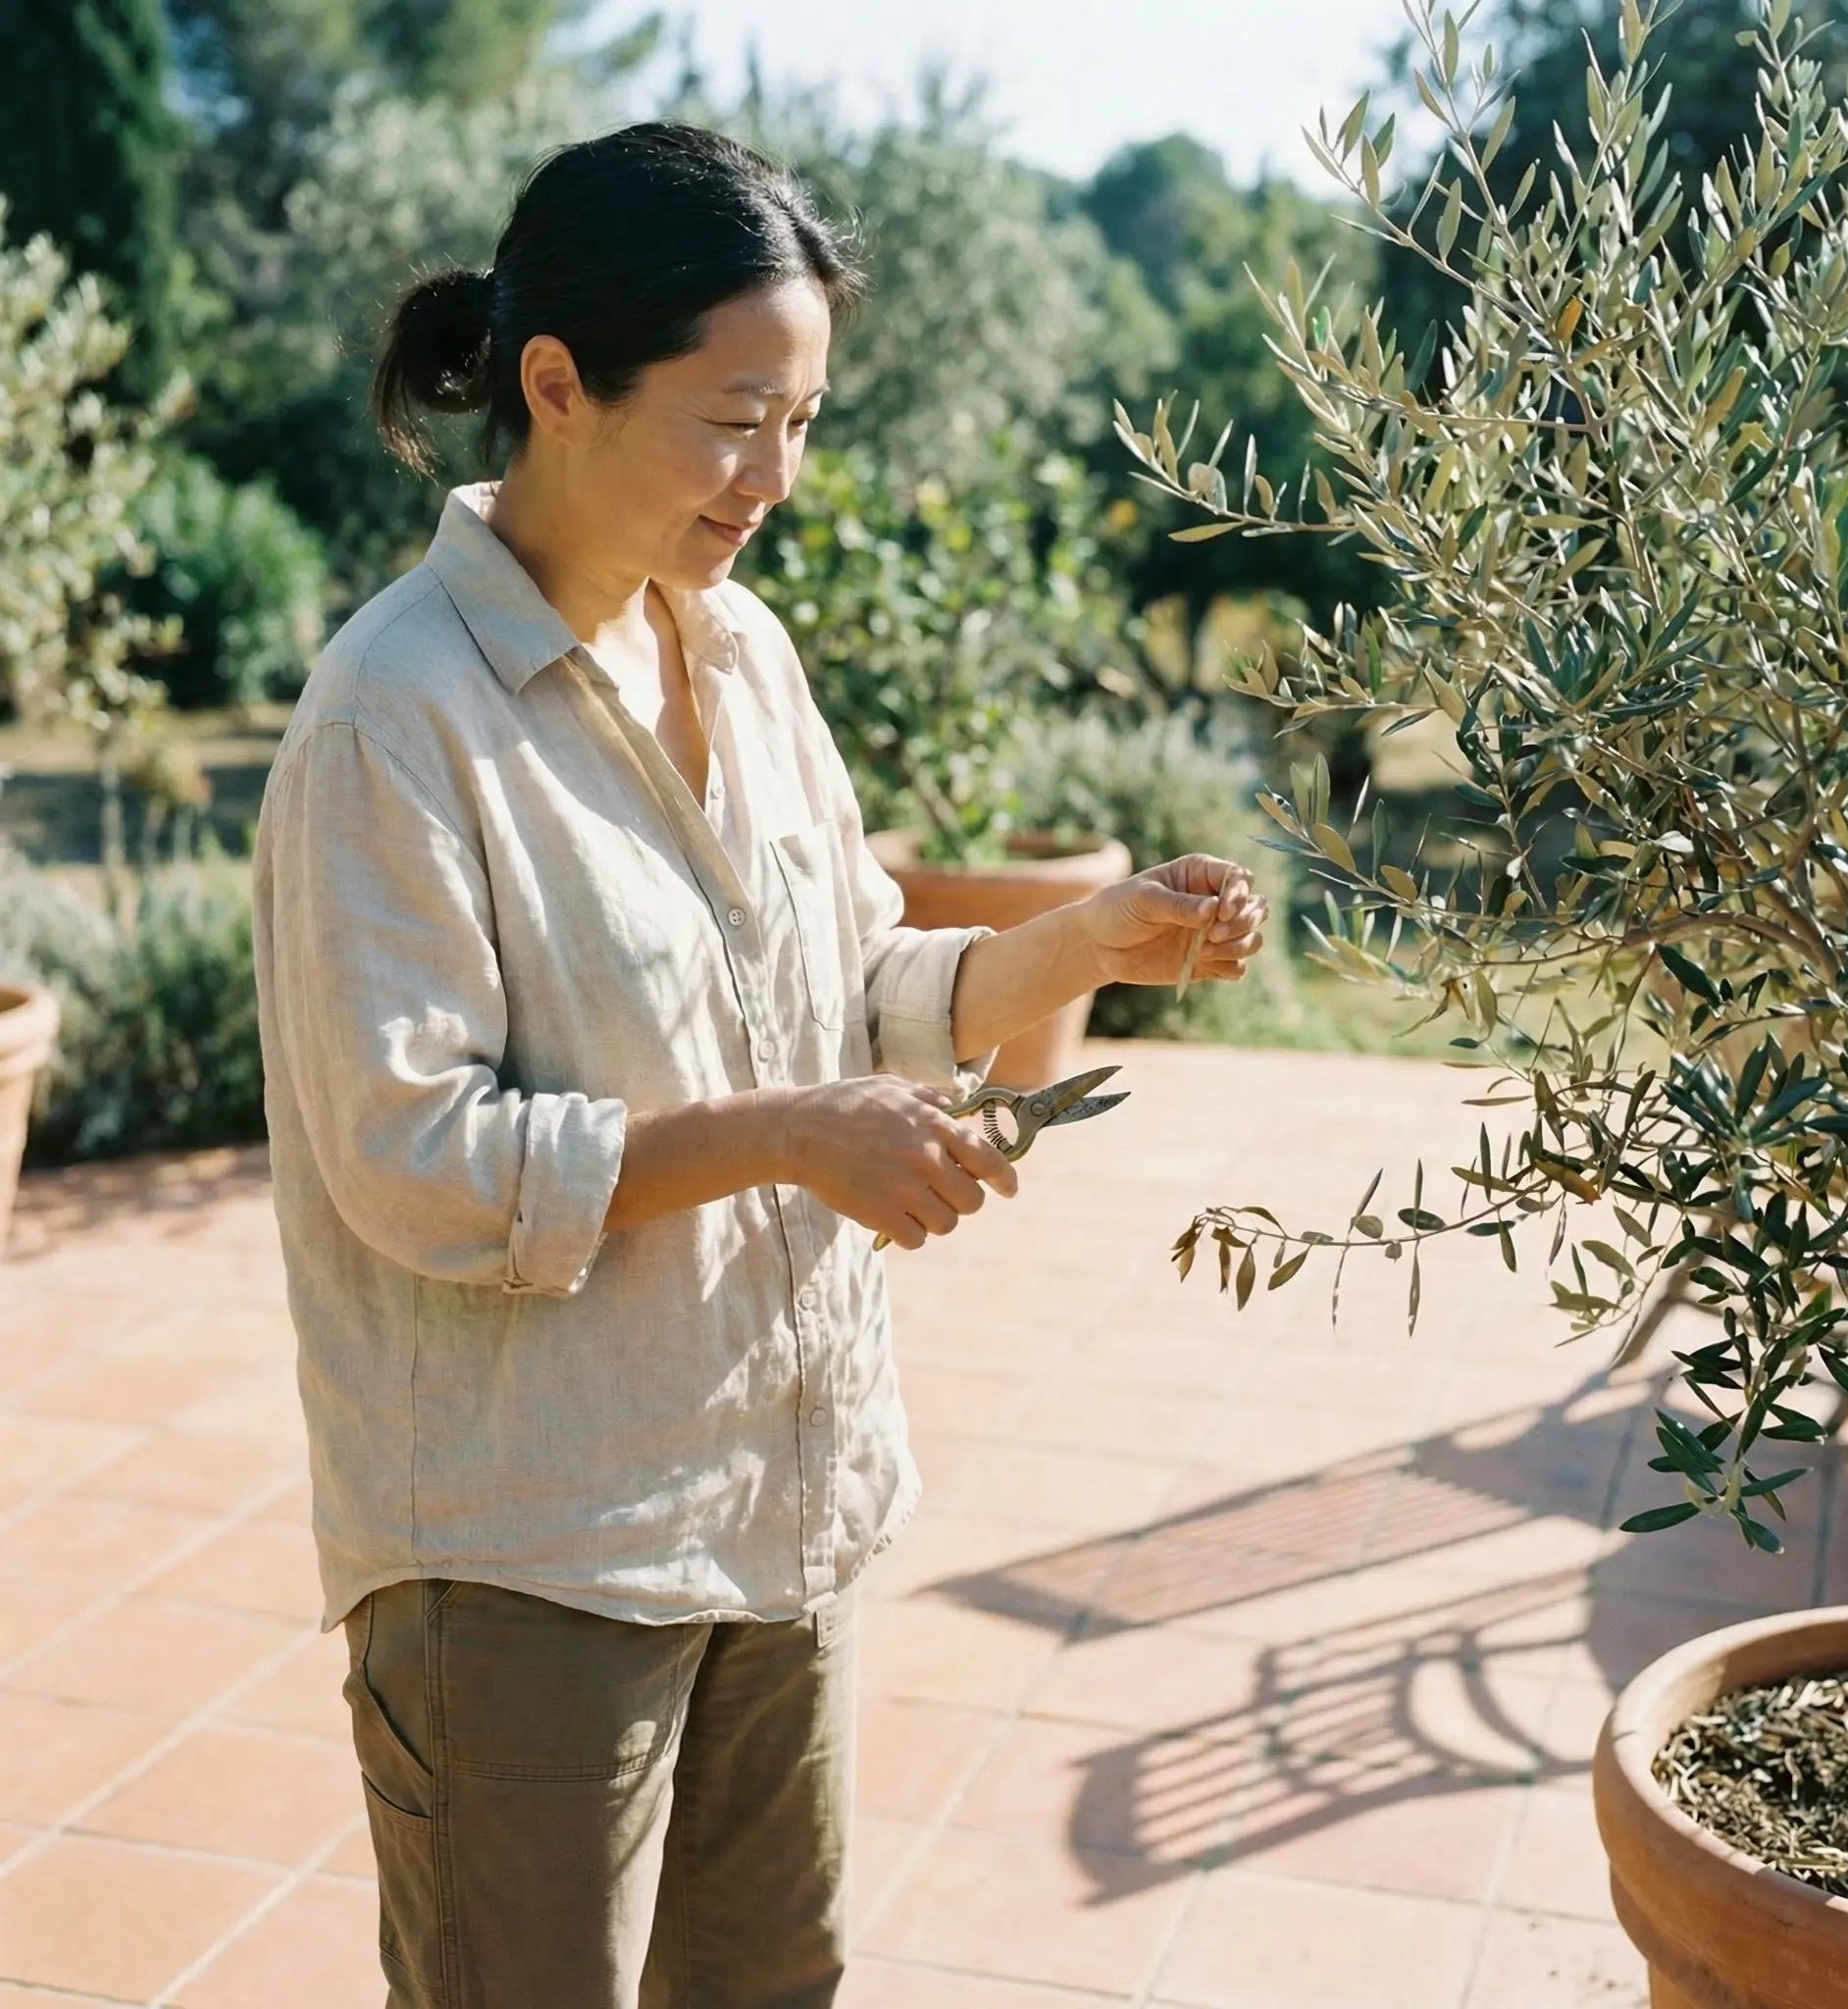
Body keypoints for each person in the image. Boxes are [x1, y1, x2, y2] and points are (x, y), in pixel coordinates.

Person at [251, 121, 1267, 2009]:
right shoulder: (393, 717)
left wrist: (1081, 946)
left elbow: (853, 979)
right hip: (531, 1554)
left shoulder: (747, 652)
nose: (777, 477)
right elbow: (414, 1157)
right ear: (554, 386)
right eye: (736, 418)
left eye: (802, 420)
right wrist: (788, 1135)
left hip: (778, 1507)